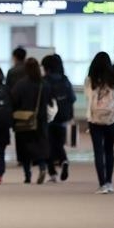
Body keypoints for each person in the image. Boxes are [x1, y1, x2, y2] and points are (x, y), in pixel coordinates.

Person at [10, 57, 52, 184]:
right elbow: (49, 100)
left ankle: (27, 175)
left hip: (24, 120)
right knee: (40, 146)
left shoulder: (21, 84)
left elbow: (13, 100)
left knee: (25, 148)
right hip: (41, 120)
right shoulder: (44, 84)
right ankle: (42, 167)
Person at [85, 52, 114, 194]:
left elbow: (88, 98)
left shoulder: (90, 80)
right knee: (109, 150)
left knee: (98, 151)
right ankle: (110, 182)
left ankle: (102, 183)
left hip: (94, 119)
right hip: (111, 118)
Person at [42, 54, 75, 182]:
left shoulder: (45, 81)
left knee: (48, 145)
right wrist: (70, 115)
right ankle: (64, 161)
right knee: (59, 144)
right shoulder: (65, 80)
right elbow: (72, 99)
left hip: (48, 118)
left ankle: (52, 173)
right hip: (63, 117)